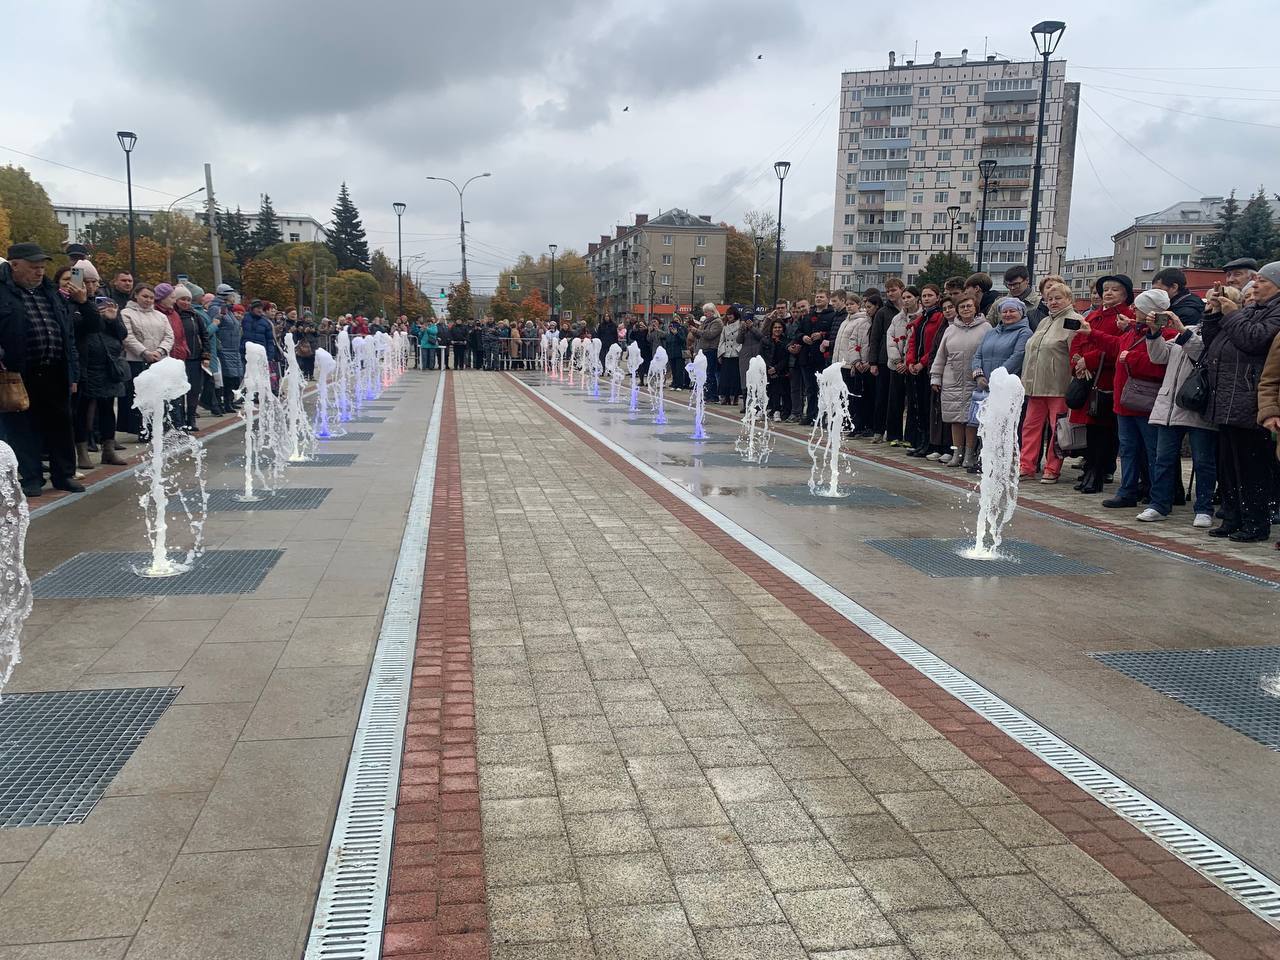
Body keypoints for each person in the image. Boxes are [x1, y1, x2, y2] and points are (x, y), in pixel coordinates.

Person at [1075, 289, 1177, 510]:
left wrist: (1131, 358)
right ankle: (1127, 491)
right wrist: (1091, 333)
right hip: (1125, 402)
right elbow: (1115, 345)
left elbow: (1160, 367)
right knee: (1128, 450)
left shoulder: (1168, 334)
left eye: (1137, 308)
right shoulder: (1133, 331)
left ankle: (1157, 494)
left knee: (1153, 452)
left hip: (1145, 403)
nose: (1133, 310)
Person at [1203, 261, 1280, 541]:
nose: (1254, 286)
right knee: (1228, 467)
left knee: (1252, 468)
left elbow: (1254, 340)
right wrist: (1213, 314)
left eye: (1262, 281)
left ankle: (1255, 523)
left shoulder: (1275, 312)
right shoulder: (1251, 310)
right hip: (1227, 398)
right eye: (1255, 280)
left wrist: (1233, 314)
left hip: (1250, 399)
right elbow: (1213, 344)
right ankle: (1232, 517)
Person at [0, 243, 84, 495]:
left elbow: (68, 334)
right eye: (33, 267)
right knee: (23, 427)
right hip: (18, 372)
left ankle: (64, 475)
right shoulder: (3, 292)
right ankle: (31, 477)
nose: (39, 272)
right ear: (15, 265)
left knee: (61, 424)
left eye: (42, 267)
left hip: (55, 369)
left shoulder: (50, 292)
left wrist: (73, 372)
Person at [1144, 298, 1217, 527]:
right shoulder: (1189, 331)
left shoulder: (1218, 334)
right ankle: (1158, 504)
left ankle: (1204, 508)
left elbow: (1202, 354)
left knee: (1203, 461)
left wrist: (1181, 330)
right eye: (1207, 306)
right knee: (1163, 459)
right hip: (1170, 405)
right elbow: (1159, 356)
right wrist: (1154, 333)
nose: (1208, 309)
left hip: (1197, 404)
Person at [1068, 275, 1135, 495]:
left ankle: (1098, 473)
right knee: (1090, 430)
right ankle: (1089, 469)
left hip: (1105, 380)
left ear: (1125, 294)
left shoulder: (1125, 317)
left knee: (1103, 429)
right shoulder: (1093, 315)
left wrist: (1089, 360)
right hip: (1086, 379)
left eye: (1115, 290)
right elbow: (1078, 341)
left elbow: (1116, 346)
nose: (1108, 293)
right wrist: (1077, 362)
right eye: (1105, 289)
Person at [1019, 280, 1080, 483]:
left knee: (1057, 429)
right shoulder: (1045, 321)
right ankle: (1026, 465)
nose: (1053, 302)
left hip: (1058, 386)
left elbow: (1075, 354)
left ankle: (1053, 468)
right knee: (1030, 427)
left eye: (1058, 298)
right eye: (1049, 299)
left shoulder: (1074, 320)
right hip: (1035, 385)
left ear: (1069, 299)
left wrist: (1074, 382)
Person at [930, 294, 988, 469]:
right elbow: (941, 356)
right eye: (962, 307)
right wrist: (936, 377)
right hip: (952, 381)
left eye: (969, 306)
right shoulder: (950, 329)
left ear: (976, 308)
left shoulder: (986, 328)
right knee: (955, 420)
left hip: (974, 381)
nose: (965, 309)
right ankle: (957, 453)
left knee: (971, 420)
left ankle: (969, 454)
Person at [121, 284, 173, 440]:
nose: (148, 300)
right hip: (136, 361)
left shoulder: (160, 316)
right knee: (140, 398)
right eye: (145, 296)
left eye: (151, 297)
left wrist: (160, 351)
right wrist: (144, 352)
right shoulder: (126, 313)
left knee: (158, 396)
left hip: (158, 361)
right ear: (136, 295)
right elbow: (127, 336)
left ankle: (158, 427)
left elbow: (169, 336)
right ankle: (141, 430)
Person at [905, 284, 946, 457]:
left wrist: (922, 363)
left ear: (937, 297)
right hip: (916, 368)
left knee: (929, 406)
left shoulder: (939, 317)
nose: (926, 298)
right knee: (918, 405)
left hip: (929, 367)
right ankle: (920, 441)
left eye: (930, 295)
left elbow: (936, 345)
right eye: (924, 295)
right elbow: (913, 342)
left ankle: (930, 443)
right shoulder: (921, 318)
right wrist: (910, 362)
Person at [883, 286, 919, 446]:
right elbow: (890, 339)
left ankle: (911, 436)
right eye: (904, 298)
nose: (906, 300)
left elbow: (916, 343)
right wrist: (897, 360)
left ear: (916, 298)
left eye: (909, 297)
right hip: (896, 365)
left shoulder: (921, 316)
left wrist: (907, 362)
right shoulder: (897, 319)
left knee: (912, 401)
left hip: (912, 366)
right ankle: (893, 435)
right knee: (895, 400)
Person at [792, 291, 835, 424]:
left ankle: (822, 415)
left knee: (823, 388)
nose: (818, 299)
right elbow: (797, 332)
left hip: (822, 358)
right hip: (807, 357)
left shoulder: (832, 315)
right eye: (817, 297)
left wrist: (822, 335)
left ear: (827, 299)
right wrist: (803, 337)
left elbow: (834, 333)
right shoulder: (808, 316)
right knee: (810, 388)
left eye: (821, 297)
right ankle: (810, 414)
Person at [832, 292, 871, 437]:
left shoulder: (860, 321)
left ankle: (852, 422)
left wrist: (854, 361)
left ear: (858, 305)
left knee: (851, 396)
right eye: (847, 304)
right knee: (842, 395)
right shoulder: (845, 321)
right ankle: (843, 421)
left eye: (852, 304)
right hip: (840, 363)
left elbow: (855, 343)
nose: (849, 307)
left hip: (850, 364)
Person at [869, 279, 903, 442]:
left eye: (893, 290)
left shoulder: (907, 310)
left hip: (903, 359)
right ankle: (878, 430)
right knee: (882, 396)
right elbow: (874, 338)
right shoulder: (882, 312)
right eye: (888, 291)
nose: (890, 294)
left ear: (901, 289)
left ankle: (895, 433)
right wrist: (873, 362)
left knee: (897, 398)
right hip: (884, 359)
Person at [173, 286, 211, 430]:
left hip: (195, 358)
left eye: (188, 300)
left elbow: (204, 335)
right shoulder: (173, 315)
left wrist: (206, 355)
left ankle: (191, 418)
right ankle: (180, 420)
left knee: (194, 389)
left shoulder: (194, 316)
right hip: (178, 359)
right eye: (182, 299)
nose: (186, 302)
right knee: (180, 390)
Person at [759, 317, 789, 420]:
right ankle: (764, 409)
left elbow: (786, 358)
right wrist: (768, 368)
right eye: (775, 327)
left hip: (780, 370)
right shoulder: (765, 340)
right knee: (765, 390)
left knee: (777, 390)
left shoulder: (785, 341)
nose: (777, 329)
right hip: (766, 369)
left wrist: (776, 368)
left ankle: (777, 410)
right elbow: (761, 355)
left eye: (779, 327)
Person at [693, 303, 723, 402]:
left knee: (710, 373)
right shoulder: (706, 322)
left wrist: (697, 331)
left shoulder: (717, 322)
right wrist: (694, 331)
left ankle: (713, 395)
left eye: (706, 312)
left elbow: (710, 335)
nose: (705, 314)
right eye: (704, 312)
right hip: (704, 349)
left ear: (712, 312)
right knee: (705, 373)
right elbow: (701, 336)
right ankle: (707, 393)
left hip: (711, 349)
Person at [717, 306, 742, 405]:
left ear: (735, 314)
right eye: (728, 314)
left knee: (735, 376)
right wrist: (720, 353)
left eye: (731, 314)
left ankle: (735, 396)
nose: (729, 316)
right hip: (726, 354)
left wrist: (738, 350)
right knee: (725, 377)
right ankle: (725, 396)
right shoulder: (725, 327)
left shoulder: (741, 325)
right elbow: (722, 340)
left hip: (736, 354)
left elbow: (743, 340)